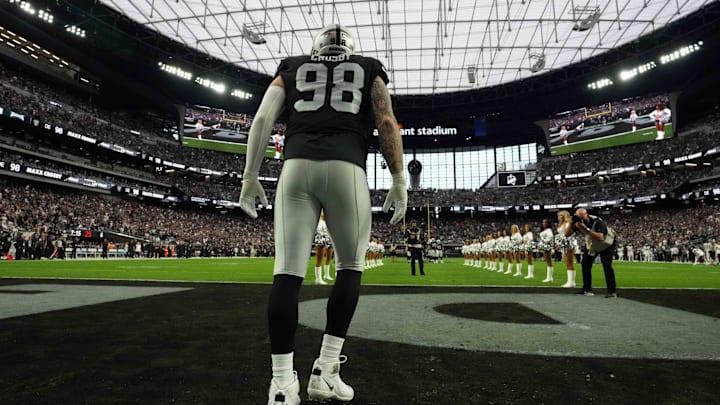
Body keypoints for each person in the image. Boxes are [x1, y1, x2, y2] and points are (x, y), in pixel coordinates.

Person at [238, 24, 407, 405]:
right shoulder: (367, 68)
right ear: (349, 50)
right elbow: (385, 122)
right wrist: (399, 180)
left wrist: (250, 176)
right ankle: (325, 370)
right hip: (347, 169)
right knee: (350, 266)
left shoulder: (292, 68)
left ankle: (282, 384)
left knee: (286, 273)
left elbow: (263, 120)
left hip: (296, 168)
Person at [571, 208, 618, 297]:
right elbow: (567, 233)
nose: (580, 219)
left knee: (607, 266)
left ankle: (612, 291)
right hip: (593, 245)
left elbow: (600, 237)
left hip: (607, 245)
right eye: (578, 217)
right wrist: (570, 223)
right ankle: (586, 289)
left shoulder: (597, 222)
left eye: (581, 216)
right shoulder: (578, 223)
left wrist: (586, 229)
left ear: (586, 214)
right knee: (585, 264)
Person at [557, 210, 578, 288]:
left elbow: (569, 234)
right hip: (564, 244)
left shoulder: (567, 224)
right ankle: (570, 281)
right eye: (558, 216)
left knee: (570, 263)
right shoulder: (561, 224)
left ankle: (571, 282)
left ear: (564, 216)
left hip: (568, 244)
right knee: (567, 263)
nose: (558, 217)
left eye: (560, 215)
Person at [313, 211, 331, 285]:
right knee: (319, 259)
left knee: (325, 257)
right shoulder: (319, 221)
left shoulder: (324, 221)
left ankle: (323, 276)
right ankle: (318, 279)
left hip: (325, 237)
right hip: (321, 237)